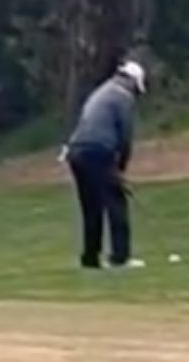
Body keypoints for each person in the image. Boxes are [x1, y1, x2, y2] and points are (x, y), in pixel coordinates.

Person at [59, 59, 147, 270]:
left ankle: (90, 259)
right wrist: (120, 170)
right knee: (116, 202)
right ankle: (120, 258)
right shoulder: (123, 97)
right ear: (134, 82)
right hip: (97, 151)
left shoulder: (102, 91)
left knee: (91, 207)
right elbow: (124, 137)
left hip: (76, 152)